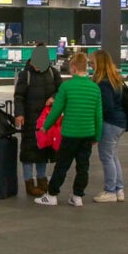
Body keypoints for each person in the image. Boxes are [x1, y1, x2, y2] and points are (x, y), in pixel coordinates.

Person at [34, 51, 103, 207]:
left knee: (62, 165)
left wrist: (45, 127)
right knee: (83, 166)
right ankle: (77, 196)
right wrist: (97, 136)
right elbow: (98, 115)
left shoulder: (66, 87)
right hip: (88, 133)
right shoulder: (94, 88)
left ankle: (52, 195)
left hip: (70, 133)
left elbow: (56, 111)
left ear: (73, 67)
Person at [14, 43, 62, 196]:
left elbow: (61, 91)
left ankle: (42, 180)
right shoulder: (25, 74)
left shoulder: (53, 74)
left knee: (43, 149)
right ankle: (29, 183)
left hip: (47, 120)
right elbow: (19, 96)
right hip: (30, 120)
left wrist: (53, 98)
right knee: (28, 151)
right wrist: (19, 114)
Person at [90, 50, 127, 203]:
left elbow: (106, 107)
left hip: (110, 123)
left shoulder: (103, 83)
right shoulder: (115, 80)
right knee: (113, 155)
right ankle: (119, 189)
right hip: (119, 123)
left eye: (92, 62)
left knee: (106, 157)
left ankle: (110, 190)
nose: (91, 65)